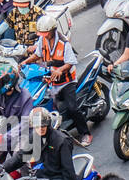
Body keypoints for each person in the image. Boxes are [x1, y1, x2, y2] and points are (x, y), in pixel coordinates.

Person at [27, 13, 91, 145]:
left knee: (73, 108)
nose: (42, 35)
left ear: (51, 31)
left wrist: (60, 70)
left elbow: (70, 62)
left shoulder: (64, 43)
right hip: (51, 81)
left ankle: (85, 133)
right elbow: (37, 55)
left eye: (44, 33)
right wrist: (25, 62)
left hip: (66, 81)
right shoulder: (42, 40)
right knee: (47, 105)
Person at [0, 59, 37, 156]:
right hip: (6, 132)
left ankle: (29, 170)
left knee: (19, 157)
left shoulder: (25, 97)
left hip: (24, 134)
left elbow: (25, 124)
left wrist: (6, 137)